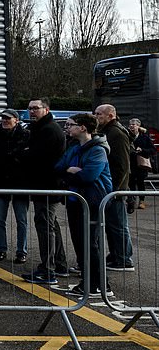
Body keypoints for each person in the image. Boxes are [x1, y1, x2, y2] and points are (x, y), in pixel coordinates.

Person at [56, 114, 113, 297]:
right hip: (76, 200)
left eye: (70, 125)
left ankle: (98, 284)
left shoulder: (98, 150)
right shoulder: (74, 148)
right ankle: (88, 281)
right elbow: (59, 167)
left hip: (92, 201)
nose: (67, 128)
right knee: (80, 243)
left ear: (82, 128)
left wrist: (72, 174)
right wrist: (70, 171)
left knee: (90, 243)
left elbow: (89, 176)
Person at [21, 98, 68, 285]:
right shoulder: (40, 128)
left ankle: (48, 270)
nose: (32, 111)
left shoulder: (49, 130)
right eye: (30, 108)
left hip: (47, 185)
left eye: (36, 108)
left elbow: (37, 156)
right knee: (50, 224)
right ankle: (60, 264)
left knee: (45, 225)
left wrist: (24, 153)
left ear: (46, 110)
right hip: (43, 184)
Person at [0, 109, 30, 265]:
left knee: (21, 220)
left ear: (16, 119)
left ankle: (21, 251)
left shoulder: (26, 135)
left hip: (20, 184)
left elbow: (31, 158)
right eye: (2, 118)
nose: (4, 120)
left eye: (8, 118)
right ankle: (1, 249)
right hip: (0, 183)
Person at [94, 104, 134, 271]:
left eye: (99, 114)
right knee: (112, 224)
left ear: (110, 115)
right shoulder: (109, 131)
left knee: (118, 224)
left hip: (115, 189)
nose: (96, 116)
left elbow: (121, 165)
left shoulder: (116, 133)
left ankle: (124, 258)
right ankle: (116, 254)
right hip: (112, 188)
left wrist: (114, 190)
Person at [129, 118, 156, 209]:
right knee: (131, 183)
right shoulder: (127, 136)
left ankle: (142, 201)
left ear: (138, 126)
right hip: (130, 163)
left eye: (134, 124)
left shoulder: (144, 137)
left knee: (140, 182)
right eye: (130, 124)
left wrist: (142, 150)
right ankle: (131, 201)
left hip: (141, 164)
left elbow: (153, 150)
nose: (132, 126)